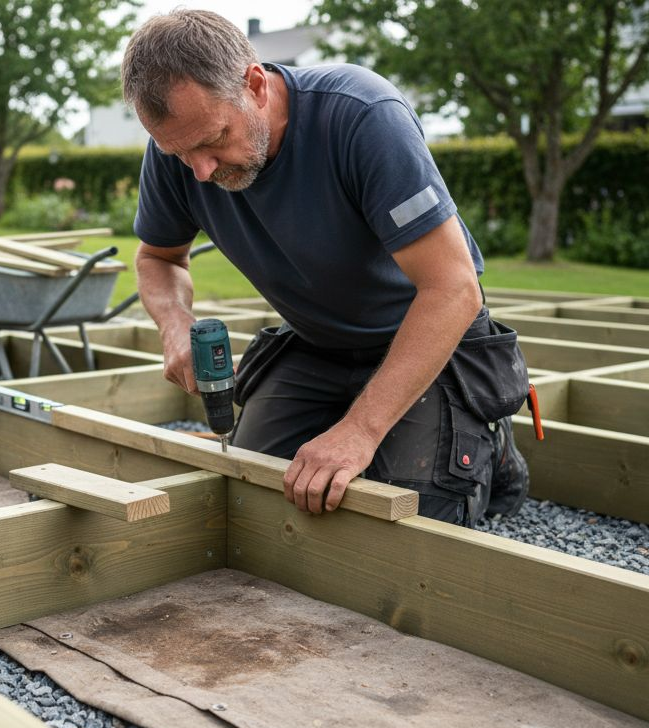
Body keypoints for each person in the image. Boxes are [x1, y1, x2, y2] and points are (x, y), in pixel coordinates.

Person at [121, 9, 530, 526]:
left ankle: (492, 445)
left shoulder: (362, 116)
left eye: (213, 140)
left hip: (428, 340)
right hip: (318, 344)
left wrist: (359, 432)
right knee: (251, 494)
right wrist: (174, 324)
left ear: (255, 85)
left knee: (407, 521)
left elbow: (453, 289)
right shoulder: (179, 146)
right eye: (180, 153)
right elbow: (158, 259)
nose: (199, 171)